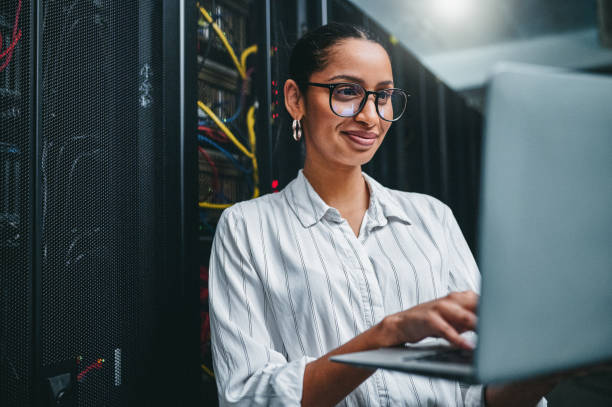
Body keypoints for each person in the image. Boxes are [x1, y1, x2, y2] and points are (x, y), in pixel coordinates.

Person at [209, 22, 556, 406]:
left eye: (384, 96)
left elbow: (479, 393)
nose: (370, 117)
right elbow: (246, 397)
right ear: (295, 99)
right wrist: (386, 335)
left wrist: (544, 369)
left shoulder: (431, 218)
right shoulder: (247, 228)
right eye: (347, 92)